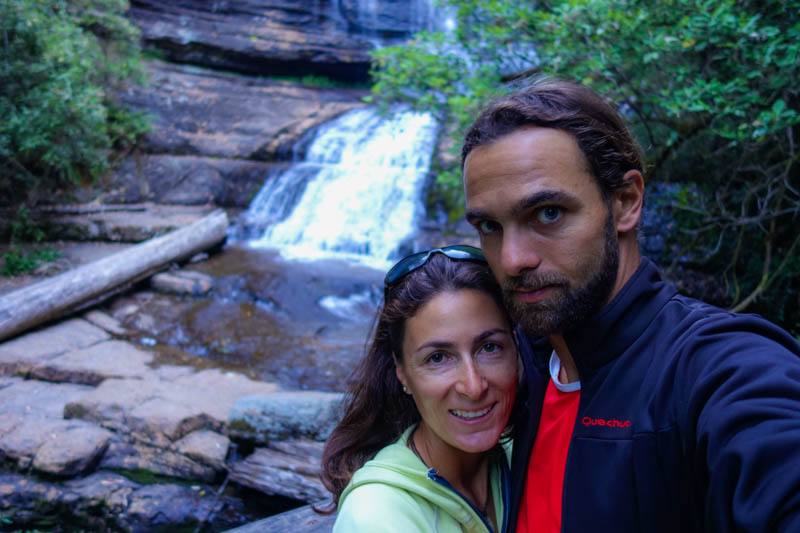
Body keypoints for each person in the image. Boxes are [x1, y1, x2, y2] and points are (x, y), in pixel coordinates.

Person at [460, 78, 800, 533]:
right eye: (489, 225)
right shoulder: (509, 368)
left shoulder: (715, 368)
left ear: (626, 202)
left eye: (547, 214)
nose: (512, 259)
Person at [321, 246, 518, 532]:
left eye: (489, 347)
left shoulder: (526, 454)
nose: (473, 386)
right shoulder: (376, 517)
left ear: (516, 347)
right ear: (402, 372)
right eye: (438, 357)